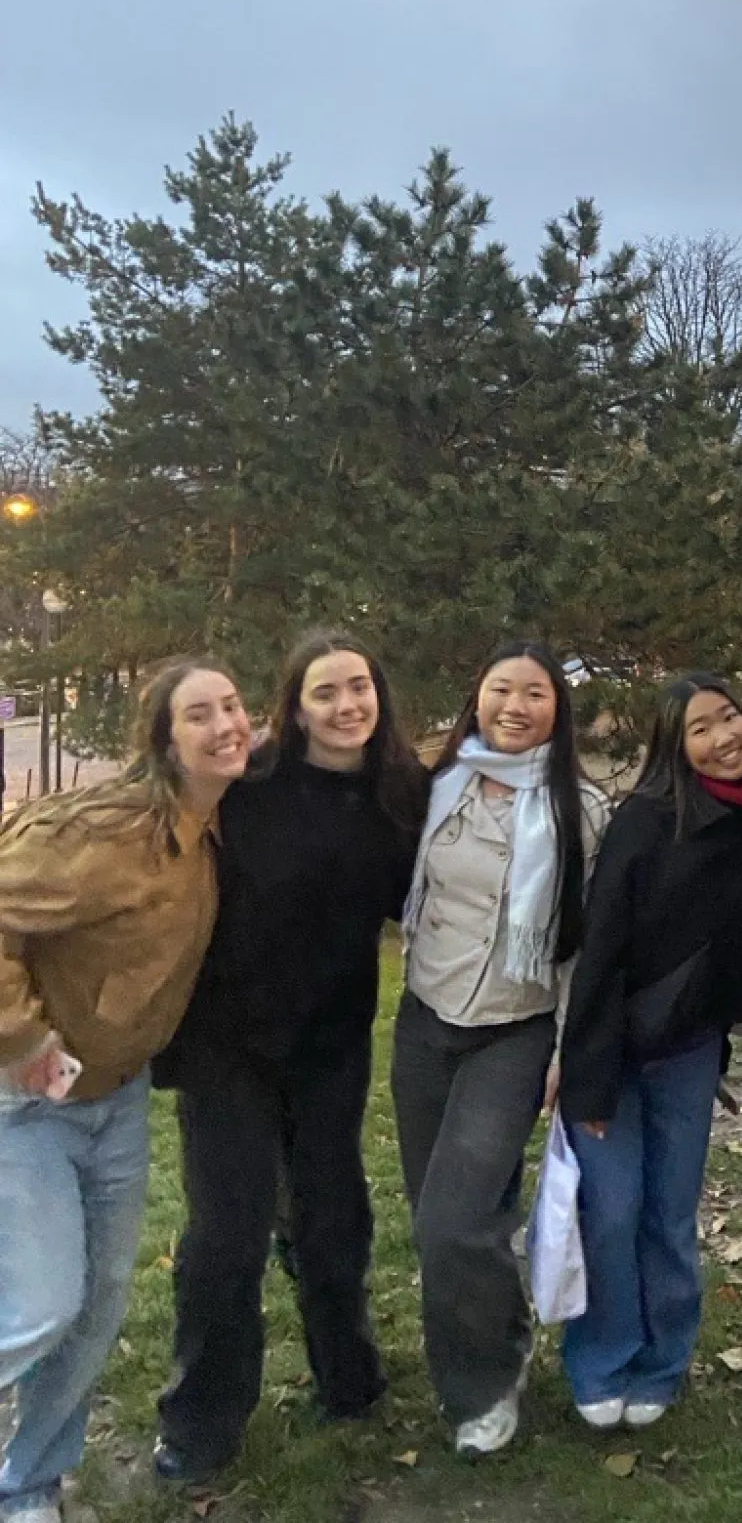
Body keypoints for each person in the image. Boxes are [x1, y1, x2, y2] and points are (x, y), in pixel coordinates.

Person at [152, 632, 428, 1480]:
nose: (347, 706)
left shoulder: (404, 794)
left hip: (330, 1043)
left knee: (333, 1218)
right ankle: (202, 1419)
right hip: (226, 1042)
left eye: (360, 688)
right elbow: (167, 812)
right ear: (294, 705)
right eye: (325, 692)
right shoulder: (254, 782)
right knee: (224, 1239)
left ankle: (348, 1377)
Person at [0, 660, 252, 1523]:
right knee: (41, 1307)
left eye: (232, 705)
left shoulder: (210, 825)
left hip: (117, 1099)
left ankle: (27, 1484)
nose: (225, 725)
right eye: (199, 714)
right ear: (162, 739)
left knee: (99, 1311)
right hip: (25, 1103)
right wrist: (22, 1037)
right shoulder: (108, 836)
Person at [391, 640, 608, 1459]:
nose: (515, 707)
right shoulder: (433, 788)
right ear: (475, 699)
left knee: (452, 1224)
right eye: (500, 690)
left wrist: (563, 1044)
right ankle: (498, 1335)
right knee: (442, 1220)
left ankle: (483, 1384)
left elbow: (585, 943)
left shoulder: (579, 809)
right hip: (425, 1019)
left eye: (536, 695)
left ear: (560, 711)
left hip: (515, 1031)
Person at [559, 672, 742, 1430]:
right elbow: (602, 950)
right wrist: (585, 1074)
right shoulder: (647, 821)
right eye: (700, 729)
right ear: (673, 747)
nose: (724, 739)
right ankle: (602, 1355)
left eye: (730, 718)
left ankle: (663, 1360)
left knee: (670, 1217)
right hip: (615, 1049)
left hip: (687, 1049)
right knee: (610, 1212)